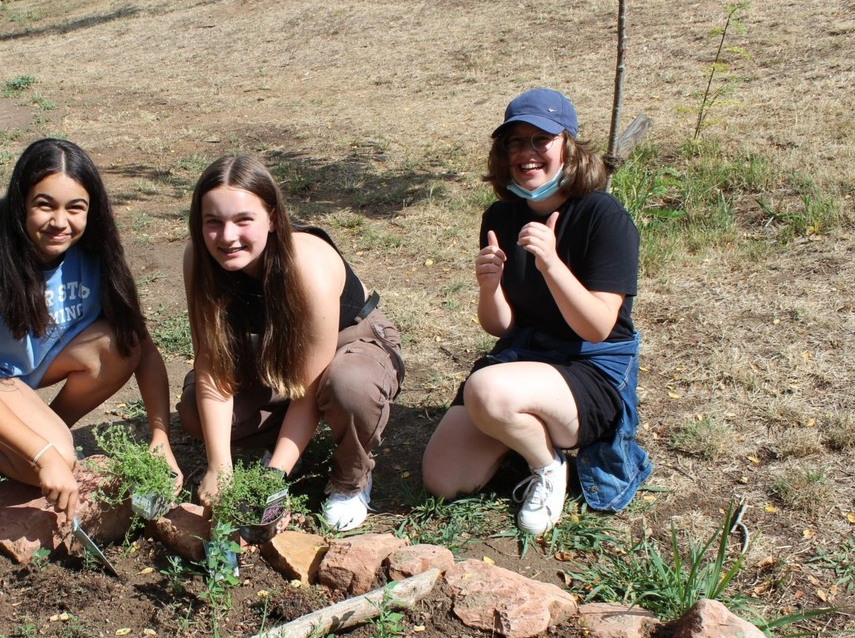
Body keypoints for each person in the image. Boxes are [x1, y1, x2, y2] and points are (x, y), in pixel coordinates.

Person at [422, 88, 651, 535]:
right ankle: (527, 434)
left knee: (486, 391)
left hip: (591, 367)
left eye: (540, 140)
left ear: (568, 144)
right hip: (525, 358)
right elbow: (499, 326)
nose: (526, 153)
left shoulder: (602, 216)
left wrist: (550, 263)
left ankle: (548, 465)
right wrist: (489, 288)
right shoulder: (500, 217)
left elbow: (600, 326)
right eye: (515, 142)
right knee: (445, 480)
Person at [0, 138, 182, 516]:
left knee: (123, 345)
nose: (60, 222)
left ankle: (25, 432)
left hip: (26, 358)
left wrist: (160, 437)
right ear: (20, 202)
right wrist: (43, 455)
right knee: (47, 457)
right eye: (45, 205)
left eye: (76, 208)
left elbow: (146, 350)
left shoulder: (94, 251)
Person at [177, 154, 405, 531]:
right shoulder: (198, 261)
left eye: (243, 220)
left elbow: (308, 387)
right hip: (278, 349)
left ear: (273, 218)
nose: (227, 236)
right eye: (213, 222)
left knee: (348, 387)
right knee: (192, 410)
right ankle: (291, 445)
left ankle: (351, 479)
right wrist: (220, 467)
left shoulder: (305, 264)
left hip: (351, 340)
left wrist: (271, 478)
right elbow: (213, 366)